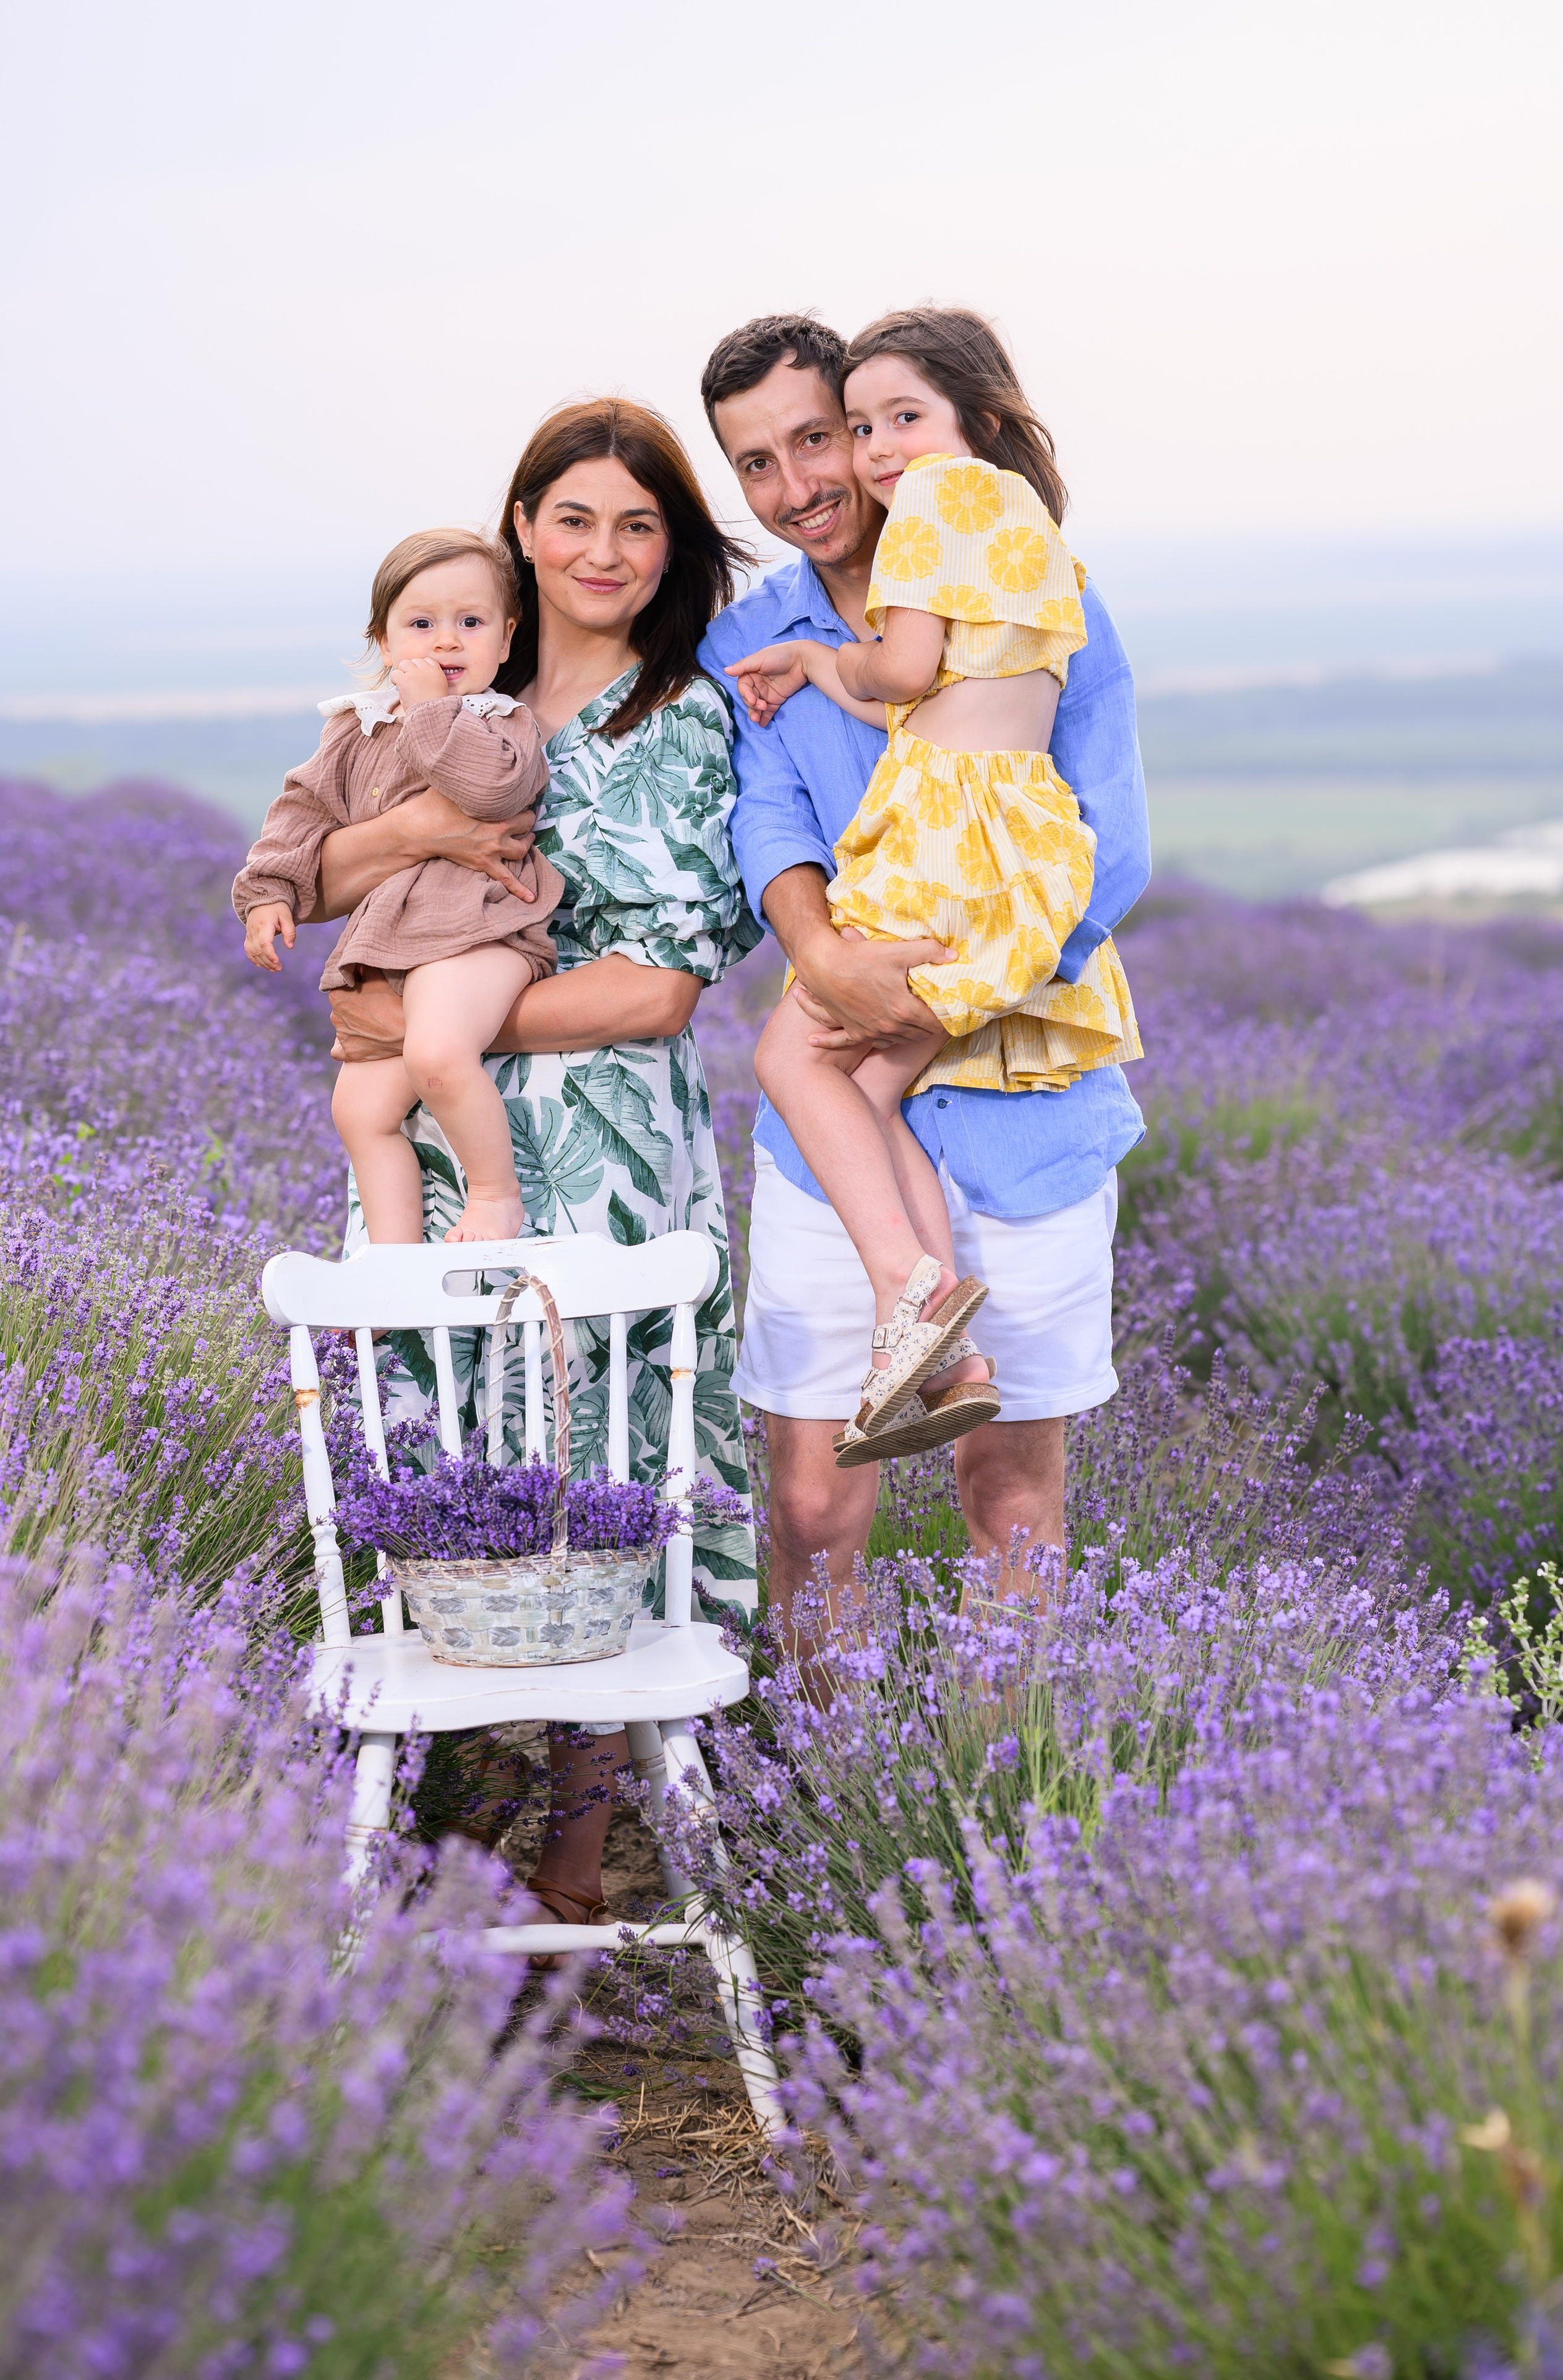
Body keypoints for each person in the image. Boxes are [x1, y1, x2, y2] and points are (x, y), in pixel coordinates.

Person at [299, 398, 760, 1950]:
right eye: (573, 518)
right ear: (520, 529)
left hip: (609, 1144)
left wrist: (415, 1017)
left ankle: (577, 1828)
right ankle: (447, 1794)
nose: (605, 551)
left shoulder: (679, 713)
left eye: (639, 524)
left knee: (604, 1450)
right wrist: (405, 863)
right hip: (443, 1142)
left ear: (671, 546)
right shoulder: (452, 676)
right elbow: (323, 865)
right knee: (449, 1432)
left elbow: (661, 983)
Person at [697, 310, 1150, 1646]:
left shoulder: (1023, 571)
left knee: (1008, 1490)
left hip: (1021, 1104)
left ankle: (989, 1805)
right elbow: (764, 820)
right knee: (811, 1502)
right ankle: (836, 1814)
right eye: (757, 466)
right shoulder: (753, 634)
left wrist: (946, 985)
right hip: (837, 1102)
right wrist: (830, 958)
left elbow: (1107, 840)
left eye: (816, 439)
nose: (800, 485)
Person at [234, 528, 563, 1243]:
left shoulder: (505, 722)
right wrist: (267, 892)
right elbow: (302, 811)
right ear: (384, 642)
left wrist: (429, 711)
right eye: (421, 625)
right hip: (391, 945)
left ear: (506, 640)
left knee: (438, 1056)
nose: (446, 643)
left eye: (470, 624)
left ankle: (495, 1196)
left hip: (479, 932)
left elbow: (490, 788)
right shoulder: (355, 729)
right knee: (359, 1110)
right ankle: (393, 1259)